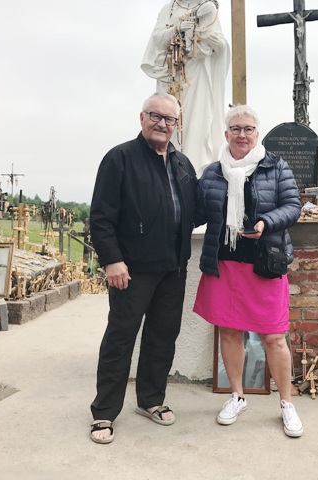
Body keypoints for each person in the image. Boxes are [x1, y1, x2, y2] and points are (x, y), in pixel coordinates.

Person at [88, 92, 198, 444]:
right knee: (120, 338)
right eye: (156, 116)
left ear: (177, 124)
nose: (162, 124)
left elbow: (195, 210)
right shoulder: (120, 158)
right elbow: (100, 217)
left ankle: (150, 400)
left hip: (173, 269)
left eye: (169, 119)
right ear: (142, 117)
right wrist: (112, 260)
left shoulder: (182, 164)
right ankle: (104, 412)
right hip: (131, 270)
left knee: (162, 337)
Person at [193, 105, 304, 437]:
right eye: (236, 129)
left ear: (257, 133)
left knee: (273, 337)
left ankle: (286, 403)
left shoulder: (275, 166)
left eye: (248, 129)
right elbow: (196, 211)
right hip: (224, 264)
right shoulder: (213, 172)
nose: (242, 134)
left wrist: (266, 222)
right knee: (229, 333)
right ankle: (237, 396)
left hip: (263, 265)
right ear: (226, 134)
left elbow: (293, 206)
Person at [142, 0, 230, 176]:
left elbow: (219, 46)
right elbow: (157, 38)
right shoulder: (170, 9)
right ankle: (168, 165)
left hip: (198, 74)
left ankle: (194, 168)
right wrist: (178, 28)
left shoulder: (207, 8)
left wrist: (217, 43)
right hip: (172, 74)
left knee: (199, 119)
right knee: (168, 119)